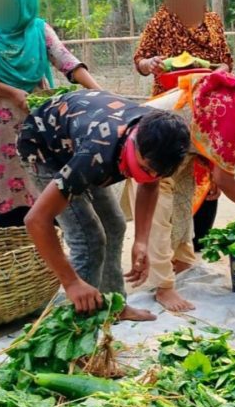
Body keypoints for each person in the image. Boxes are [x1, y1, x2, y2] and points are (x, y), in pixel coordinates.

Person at [19, 90, 192, 322]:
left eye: (157, 173)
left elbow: (150, 185)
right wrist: (71, 282)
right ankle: (78, 325)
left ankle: (114, 306)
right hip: (44, 147)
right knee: (89, 238)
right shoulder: (96, 155)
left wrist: (141, 241)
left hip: (82, 140)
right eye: (144, 168)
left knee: (115, 225)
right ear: (134, 143)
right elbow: (36, 220)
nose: (149, 175)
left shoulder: (161, 140)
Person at [141, 58, 235, 311]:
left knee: (182, 202)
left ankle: (182, 261)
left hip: (176, 148)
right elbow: (226, 179)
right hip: (150, 143)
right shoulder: (231, 112)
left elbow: (206, 138)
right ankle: (163, 287)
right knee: (160, 212)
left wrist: (212, 172)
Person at [0, 0, 101, 230]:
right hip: (5, 117)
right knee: (9, 171)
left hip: (40, 113)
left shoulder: (39, 29)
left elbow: (66, 60)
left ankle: (51, 230)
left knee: (44, 168)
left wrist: (99, 92)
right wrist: (12, 92)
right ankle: (8, 234)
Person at [133, 0, 234, 249]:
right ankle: (170, 242)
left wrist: (219, 71)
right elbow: (141, 60)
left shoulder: (212, 21)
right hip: (170, 106)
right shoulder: (159, 21)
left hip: (208, 104)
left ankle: (199, 239)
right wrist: (151, 64)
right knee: (170, 169)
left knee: (207, 167)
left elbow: (226, 61)